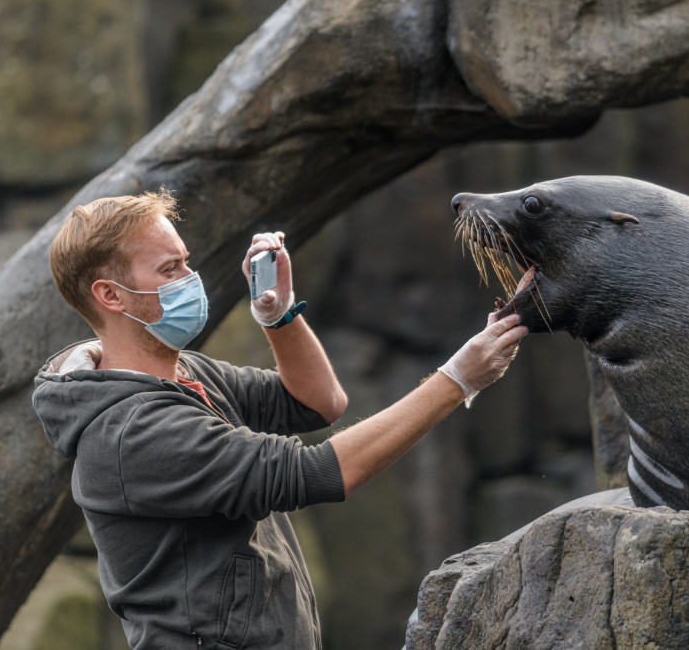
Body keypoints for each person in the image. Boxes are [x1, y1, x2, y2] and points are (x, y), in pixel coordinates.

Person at [32, 191, 527, 650]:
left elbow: (317, 403)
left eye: (186, 261)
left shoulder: (185, 371)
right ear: (111, 295)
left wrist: (279, 315)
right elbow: (315, 473)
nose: (190, 277)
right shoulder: (132, 433)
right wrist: (457, 379)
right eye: (170, 268)